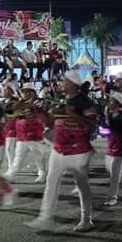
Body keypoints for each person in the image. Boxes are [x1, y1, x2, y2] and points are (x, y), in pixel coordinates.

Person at [27, 70, 96, 232]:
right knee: (51, 183)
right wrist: (39, 112)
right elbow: (50, 122)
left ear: (73, 84)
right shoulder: (60, 100)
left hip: (78, 150)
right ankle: (45, 217)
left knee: (81, 184)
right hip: (58, 149)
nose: (61, 83)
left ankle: (86, 219)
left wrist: (75, 116)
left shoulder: (84, 101)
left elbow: (92, 124)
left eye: (64, 81)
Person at [3, 83, 48, 183]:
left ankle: (42, 174)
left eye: (27, 91)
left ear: (33, 93)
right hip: (22, 135)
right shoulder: (19, 103)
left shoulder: (39, 102)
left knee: (38, 156)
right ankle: (11, 174)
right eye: (23, 92)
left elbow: (38, 112)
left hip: (35, 135)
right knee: (18, 156)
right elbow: (11, 114)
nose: (24, 94)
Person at [102, 91, 122, 206]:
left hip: (119, 147)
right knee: (111, 169)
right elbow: (105, 132)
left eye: (111, 101)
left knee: (114, 174)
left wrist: (106, 126)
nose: (109, 102)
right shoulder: (110, 114)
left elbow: (116, 132)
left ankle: (113, 197)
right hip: (111, 145)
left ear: (117, 104)